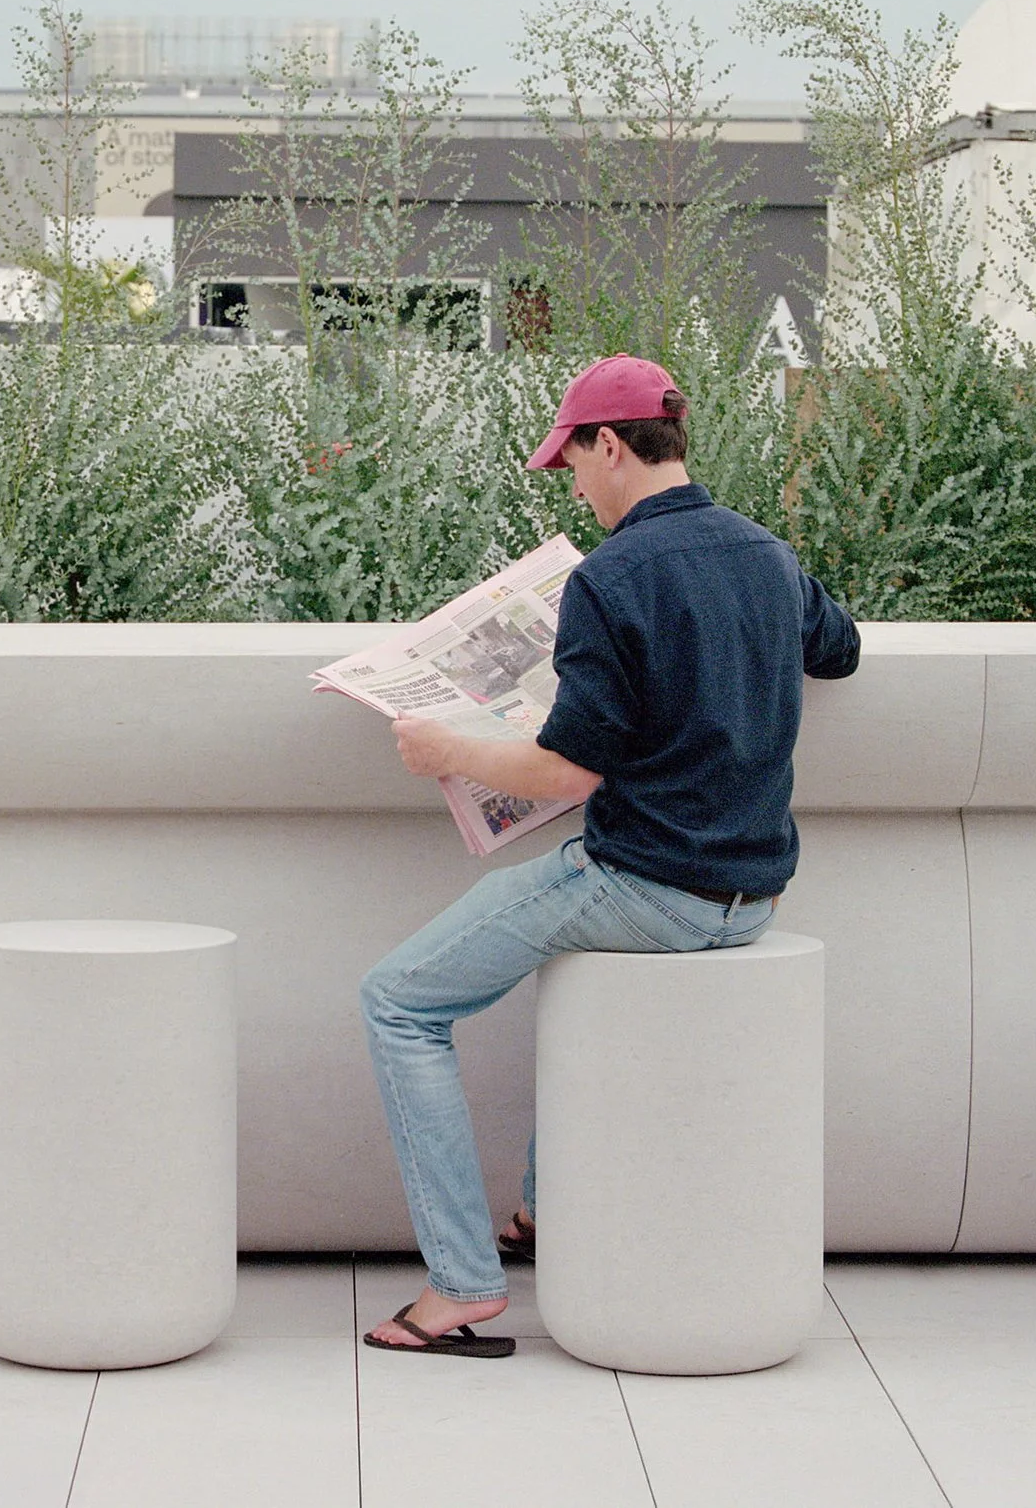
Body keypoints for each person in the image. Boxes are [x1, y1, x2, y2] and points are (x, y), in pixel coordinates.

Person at [357, 354, 860, 1356]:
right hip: (751, 894)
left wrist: (443, 747)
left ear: (612, 445)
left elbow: (568, 774)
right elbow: (837, 647)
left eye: (573, 464)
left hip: (646, 884)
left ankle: (460, 1285)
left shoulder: (610, 579)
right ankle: (545, 1213)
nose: (575, 488)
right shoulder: (763, 552)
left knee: (399, 1001)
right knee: (553, 973)